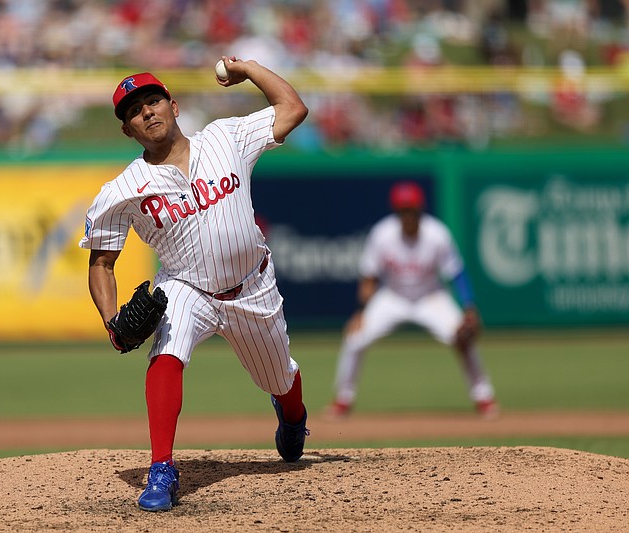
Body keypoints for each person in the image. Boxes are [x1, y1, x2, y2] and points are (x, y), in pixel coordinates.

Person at [79, 58, 310, 512]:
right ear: (128, 131)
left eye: (153, 101)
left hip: (252, 288)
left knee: (279, 377)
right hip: (186, 287)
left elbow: (293, 108)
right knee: (167, 349)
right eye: (134, 112)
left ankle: (293, 415)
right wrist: (111, 323)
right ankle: (162, 468)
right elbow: (101, 263)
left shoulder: (225, 137)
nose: (146, 112)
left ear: (174, 105)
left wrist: (249, 69)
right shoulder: (123, 189)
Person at [326, 181, 499, 420]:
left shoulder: (437, 234)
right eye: (403, 210)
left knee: (463, 335)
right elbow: (369, 278)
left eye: (411, 210)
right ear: (396, 212)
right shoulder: (382, 234)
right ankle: (343, 400)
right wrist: (361, 311)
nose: (407, 215)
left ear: (420, 210)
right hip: (393, 297)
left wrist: (469, 307)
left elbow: (457, 274)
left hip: (430, 296)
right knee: (355, 337)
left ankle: (484, 396)